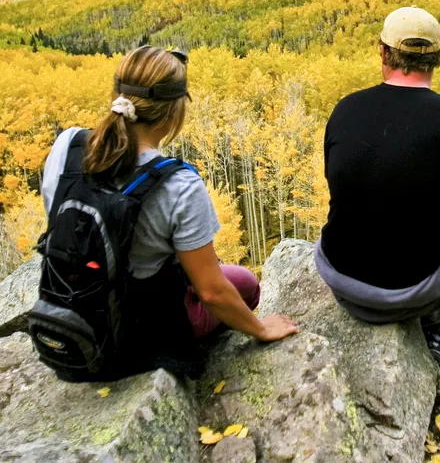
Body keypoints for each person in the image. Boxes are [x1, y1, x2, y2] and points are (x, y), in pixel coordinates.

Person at [38, 46, 297, 376]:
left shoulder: (68, 144)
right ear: (175, 112)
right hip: (135, 334)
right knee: (244, 283)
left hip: (70, 303)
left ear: (116, 96)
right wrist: (260, 329)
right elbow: (212, 293)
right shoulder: (179, 184)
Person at [316, 7, 440, 401]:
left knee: (404, 223)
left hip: (341, 280)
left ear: (382, 52)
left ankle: (428, 330)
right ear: (437, 59)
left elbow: (358, 186)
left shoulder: (345, 110)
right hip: (407, 291)